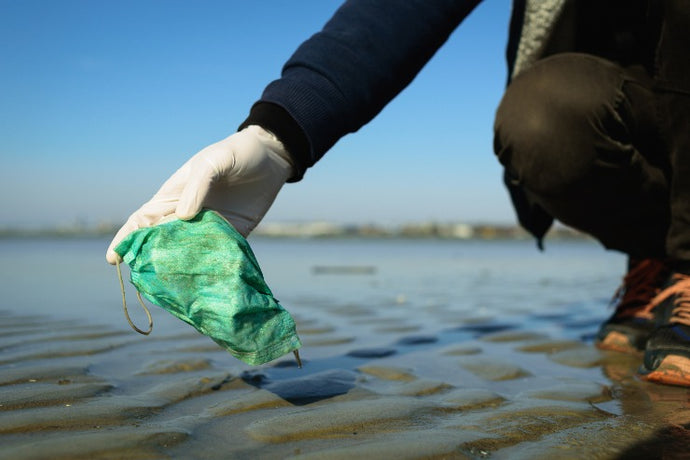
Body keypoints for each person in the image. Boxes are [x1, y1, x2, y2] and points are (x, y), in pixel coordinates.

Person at [106, 0, 690, 387]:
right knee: (541, 122)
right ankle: (656, 258)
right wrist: (279, 136)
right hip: (636, 119)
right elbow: (397, 10)